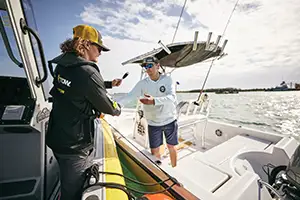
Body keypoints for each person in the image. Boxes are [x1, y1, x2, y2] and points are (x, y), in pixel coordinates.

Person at [46, 24, 122, 200]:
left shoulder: (63, 65)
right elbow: (108, 107)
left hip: (57, 137)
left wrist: (109, 84)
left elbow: (79, 86)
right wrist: (117, 109)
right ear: (86, 44)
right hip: (75, 145)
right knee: (72, 193)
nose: (101, 53)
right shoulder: (88, 71)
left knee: (66, 181)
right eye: (99, 47)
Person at [117, 56, 178, 167]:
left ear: (158, 66)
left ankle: (174, 168)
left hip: (169, 120)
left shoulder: (167, 79)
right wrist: (116, 106)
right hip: (153, 123)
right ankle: (160, 171)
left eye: (150, 65)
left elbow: (172, 98)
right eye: (146, 66)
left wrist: (154, 100)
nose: (148, 69)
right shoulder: (142, 84)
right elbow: (130, 96)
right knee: (154, 152)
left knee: (171, 147)